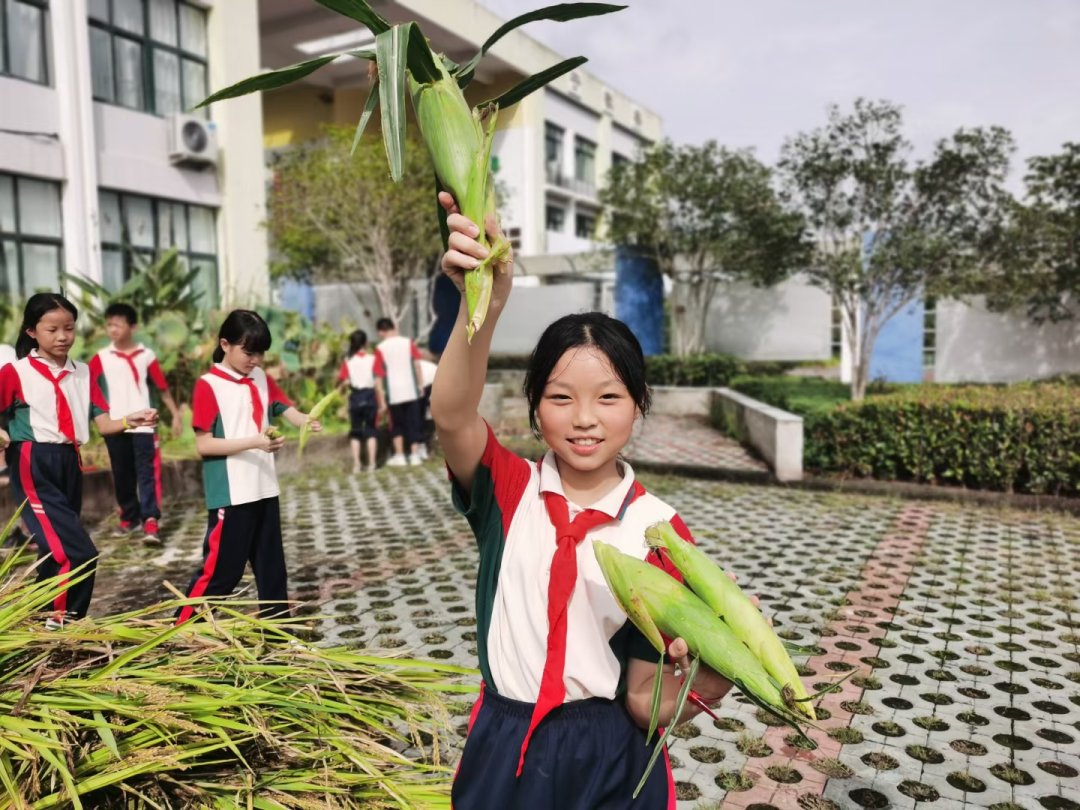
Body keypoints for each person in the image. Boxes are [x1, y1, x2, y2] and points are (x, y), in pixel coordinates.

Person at [431, 196, 734, 809]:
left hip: (608, 755)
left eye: (610, 397)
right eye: (562, 397)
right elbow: (452, 413)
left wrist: (718, 671)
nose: (585, 420)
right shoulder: (508, 491)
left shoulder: (660, 532)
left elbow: (646, 701)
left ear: (639, 403)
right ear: (535, 405)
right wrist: (481, 302)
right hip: (504, 742)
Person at [0, 293, 158, 625]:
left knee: (53, 550)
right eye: (52, 329)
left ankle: (38, 618)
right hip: (33, 461)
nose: (62, 337)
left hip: (71, 462)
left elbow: (103, 423)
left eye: (69, 328)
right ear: (31, 331)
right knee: (75, 553)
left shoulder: (83, 373)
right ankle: (62, 624)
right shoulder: (16, 372)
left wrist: (133, 420)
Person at [176, 309, 321, 625]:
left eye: (260, 354)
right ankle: (180, 629)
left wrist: (306, 420)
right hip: (231, 493)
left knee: (272, 569)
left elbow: (284, 408)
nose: (255, 360)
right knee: (221, 572)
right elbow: (204, 445)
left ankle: (278, 631)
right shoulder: (208, 385)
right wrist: (255, 442)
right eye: (248, 352)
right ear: (225, 344)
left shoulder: (260, 377)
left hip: (264, 487)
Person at [88, 302, 183, 545]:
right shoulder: (102, 357)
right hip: (116, 423)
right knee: (122, 474)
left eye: (117, 325)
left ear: (133, 327)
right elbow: (85, 383)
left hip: (144, 423)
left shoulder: (146, 356)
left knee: (146, 473)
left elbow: (162, 387)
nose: (112, 330)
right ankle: (128, 517)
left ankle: (150, 520)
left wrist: (175, 414)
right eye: (109, 325)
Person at [372, 317, 425, 466]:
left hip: (393, 393)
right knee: (413, 422)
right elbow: (417, 365)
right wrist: (420, 385)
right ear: (393, 327)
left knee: (396, 425)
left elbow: (378, 376)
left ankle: (400, 455)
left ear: (381, 331)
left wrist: (381, 400)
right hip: (410, 390)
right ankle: (414, 455)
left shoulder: (380, 348)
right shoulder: (408, 343)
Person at [338, 328, 378, 473]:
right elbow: (378, 379)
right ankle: (372, 464)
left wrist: (342, 389)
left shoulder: (348, 361)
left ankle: (357, 465)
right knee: (371, 431)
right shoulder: (372, 359)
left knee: (355, 431)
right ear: (366, 343)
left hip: (355, 397)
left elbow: (345, 381)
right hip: (370, 396)